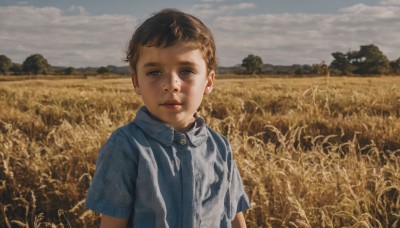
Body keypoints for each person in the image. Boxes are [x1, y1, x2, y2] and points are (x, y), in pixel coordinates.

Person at [85, 8, 250, 228]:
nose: (171, 84)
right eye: (154, 72)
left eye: (186, 71)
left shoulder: (220, 147)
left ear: (209, 82)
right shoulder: (125, 146)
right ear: (136, 82)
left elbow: (233, 215)